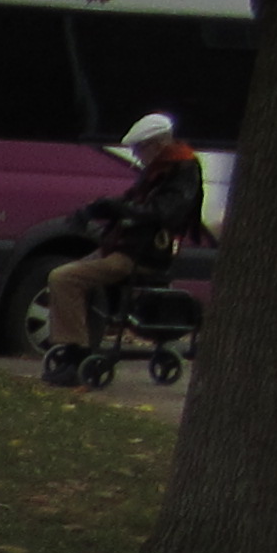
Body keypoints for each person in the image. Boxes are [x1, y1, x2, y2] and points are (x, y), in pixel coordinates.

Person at [40, 110, 204, 385]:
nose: (137, 156)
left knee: (65, 277)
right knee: (70, 274)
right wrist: (95, 209)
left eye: (140, 149)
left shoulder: (183, 170)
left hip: (143, 253)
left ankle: (76, 352)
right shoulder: (159, 170)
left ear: (157, 145)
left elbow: (164, 212)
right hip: (125, 248)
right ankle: (75, 346)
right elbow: (131, 201)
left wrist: (118, 208)